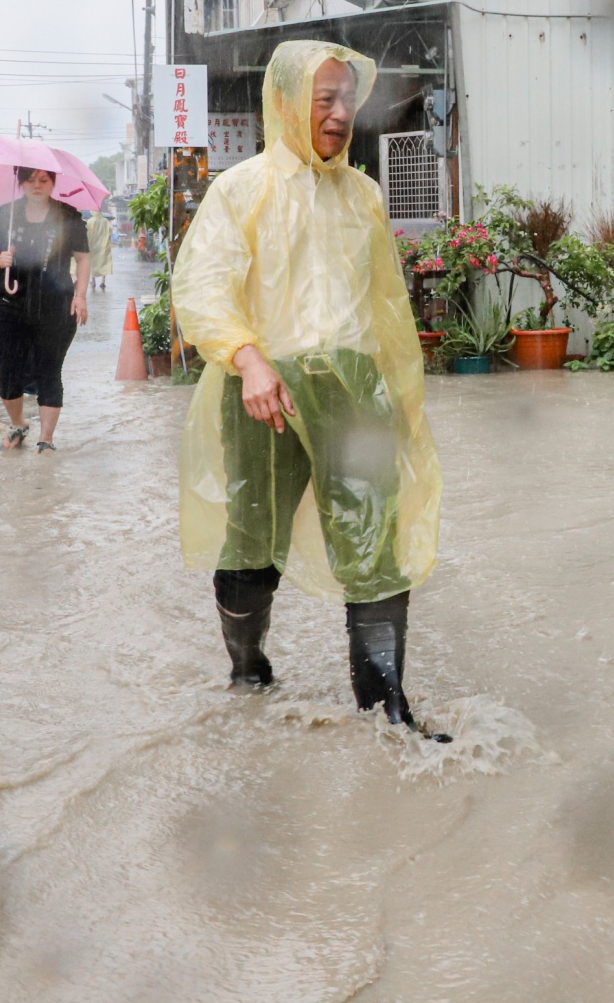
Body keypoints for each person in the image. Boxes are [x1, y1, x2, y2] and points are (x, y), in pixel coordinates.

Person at [171, 41, 445, 735]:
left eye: (348, 98)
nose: (340, 113)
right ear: (288, 103)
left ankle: (387, 709)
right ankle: (248, 666)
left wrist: (398, 399)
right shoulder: (242, 189)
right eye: (324, 99)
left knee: (376, 545)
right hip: (265, 388)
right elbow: (203, 286)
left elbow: (385, 307)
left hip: (353, 389)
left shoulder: (365, 194)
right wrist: (247, 358)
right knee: (252, 542)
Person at [0, 169, 89, 452]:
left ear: (53, 182)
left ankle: (46, 439)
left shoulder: (68, 216)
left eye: (44, 180)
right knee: (6, 371)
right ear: (21, 183)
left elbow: (83, 258)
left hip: (55, 304)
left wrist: (80, 296)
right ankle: (18, 424)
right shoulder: (7, 214)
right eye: (30, 180)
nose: (37, 186)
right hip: (10, 304)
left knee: (49, 369)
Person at [85, 210, 113, 291]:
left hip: (93, 246)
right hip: (104, 246)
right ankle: (103, 281)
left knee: (93, 264)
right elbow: (110, 232)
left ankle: (93, 281)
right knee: (104, 263)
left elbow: (87, 233)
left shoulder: (90, 221)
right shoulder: (105, 221)